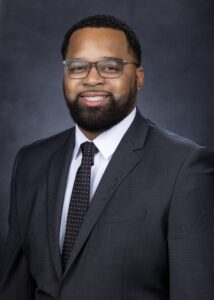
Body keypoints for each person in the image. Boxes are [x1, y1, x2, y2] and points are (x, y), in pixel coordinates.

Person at [0, 14, 214, 300]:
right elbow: (15, 287)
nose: (92, 78)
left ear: (138, 78)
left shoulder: (185, 167)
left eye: (110, 67)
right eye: (77, 67)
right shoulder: (31, 162)